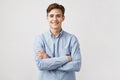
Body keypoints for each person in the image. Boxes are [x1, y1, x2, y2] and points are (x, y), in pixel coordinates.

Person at [34, 3, 81, 80]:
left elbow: (77, 65)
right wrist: (66, 59)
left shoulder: (72, 39)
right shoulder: (40, 39)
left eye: (58, 16)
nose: (54, 19)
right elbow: (41, 65)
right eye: (51, 16)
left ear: (63, 18)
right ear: (47, 18)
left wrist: (49, 63)